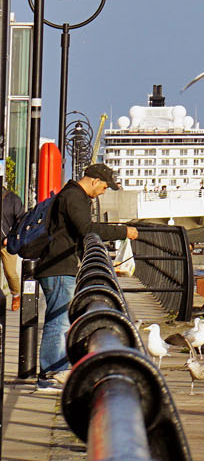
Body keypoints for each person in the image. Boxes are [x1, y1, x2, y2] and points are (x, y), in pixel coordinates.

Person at [29, 164, 139, 392]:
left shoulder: (72, 195)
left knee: (61, 320)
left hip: (61, 265)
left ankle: (57, 371)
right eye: (105, 187)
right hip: (59, 267)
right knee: (58, 321)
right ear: (94, 181)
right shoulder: (73, 197)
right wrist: (122, 231)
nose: (104, 192)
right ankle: (49, 375)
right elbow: (86, 229)